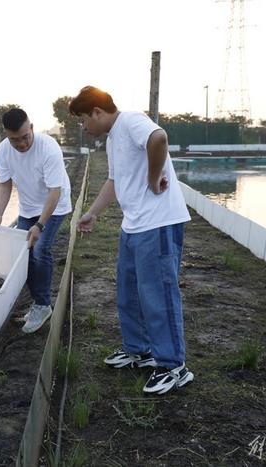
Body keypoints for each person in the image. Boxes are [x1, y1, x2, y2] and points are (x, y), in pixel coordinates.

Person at [70, 86, 193, 395]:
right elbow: (115, 181)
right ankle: (138, 350)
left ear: (97, 111)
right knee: (129, 291)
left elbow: (159, 139)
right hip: (134, 225)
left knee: (158, 293)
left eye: (83, 119)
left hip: (159, 222)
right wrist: (93, 213)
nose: (83, 127)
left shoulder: (132, 121)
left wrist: (154, 178)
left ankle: (173, 366)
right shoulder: (113, 139)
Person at [0, 108, 72, 333]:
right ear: (6, 135)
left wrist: (39, 225)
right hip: (27, 208)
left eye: (25, 137)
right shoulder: (3, 151)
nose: (22, 144)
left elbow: (55, 191)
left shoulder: (49, 148)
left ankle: (43, 305)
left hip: (55, 206)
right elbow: (5, 185)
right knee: (21, 253)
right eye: (15, 140)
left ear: (32, 128)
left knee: (40, 249)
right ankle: (37, 303)